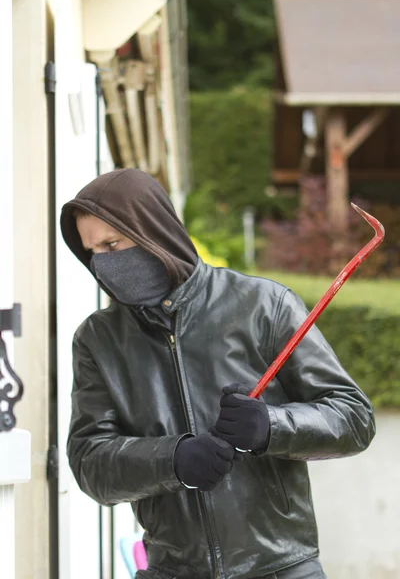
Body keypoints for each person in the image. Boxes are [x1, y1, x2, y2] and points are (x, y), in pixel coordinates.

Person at [60, 168, 375, 579]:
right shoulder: (98, 339)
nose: (103, 263)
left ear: (152, 229)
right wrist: (171, 459)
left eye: (112, 244)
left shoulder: (265, 305)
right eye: (92, 252)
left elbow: (354, 418)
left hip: (282, 568)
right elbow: (89, 462)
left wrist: (271, 426)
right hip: (171, 570)